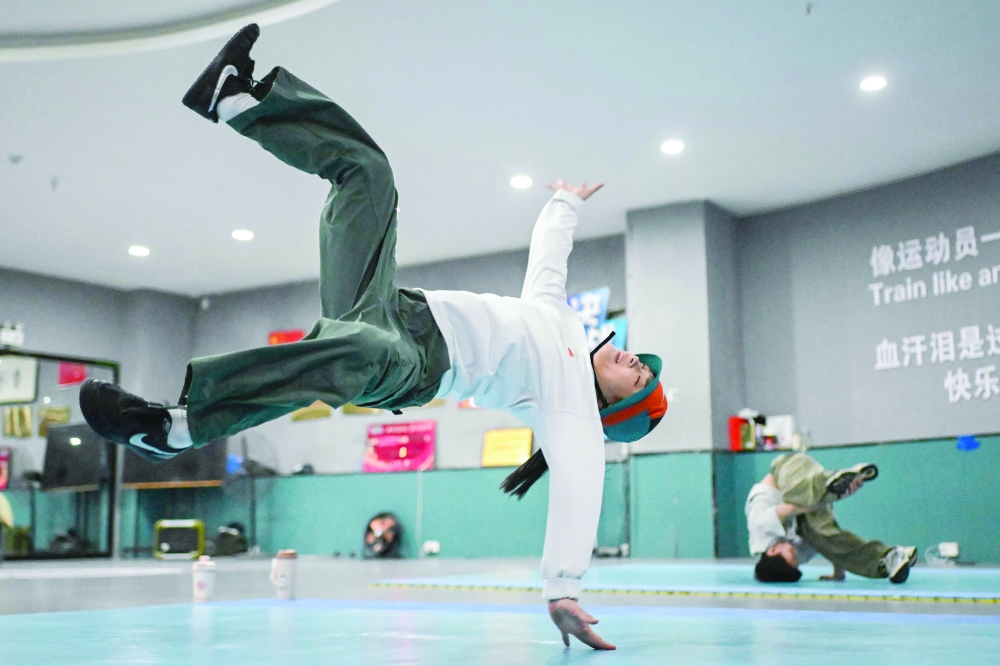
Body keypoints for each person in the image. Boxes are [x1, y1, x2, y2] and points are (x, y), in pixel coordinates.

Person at [79, 24, 669, 650]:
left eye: (636, 374)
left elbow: (580, 491)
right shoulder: (563, 323)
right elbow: (549, 262)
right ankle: (234, 99)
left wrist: (562, 588)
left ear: (613, 406)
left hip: (411, 364)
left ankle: (176, 428)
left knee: (360, 352)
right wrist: (565, 205)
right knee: (369, 173)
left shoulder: (572, 415)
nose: (633, 358)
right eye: (640, 361)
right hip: (392, 306)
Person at [746, 452, 917, 584]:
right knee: (819, 534)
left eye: (789, 552)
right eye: (795, 559)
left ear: (772, 551)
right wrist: (838, 573)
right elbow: (829, 542)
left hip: (788, 470)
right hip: (805, 508)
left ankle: (827, 485)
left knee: (798, 495)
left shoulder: (759, 528)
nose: (795, 552)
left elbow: (792, 507)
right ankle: (888, 559)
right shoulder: (797, 555)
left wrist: (833, 497)